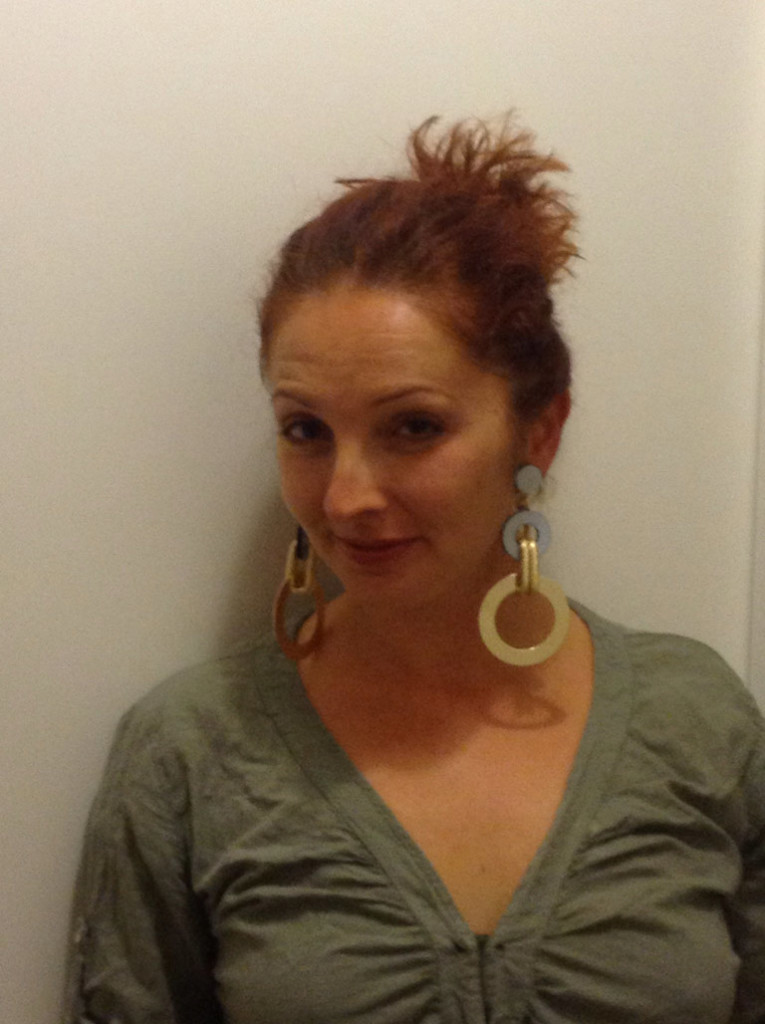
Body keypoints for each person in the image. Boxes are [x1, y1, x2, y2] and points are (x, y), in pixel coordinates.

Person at [64, 116, 765, 1024]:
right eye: (306, 430)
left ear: (537, 432)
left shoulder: (699, 720)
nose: (346, 497)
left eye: (414, 426)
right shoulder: (190, 751)